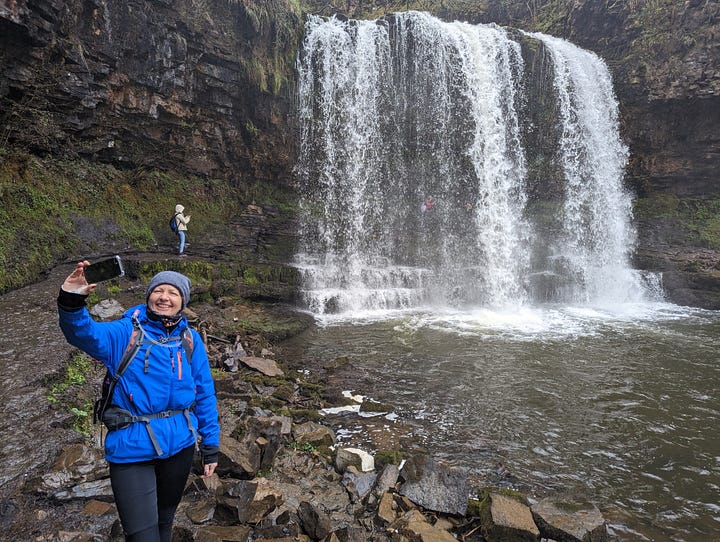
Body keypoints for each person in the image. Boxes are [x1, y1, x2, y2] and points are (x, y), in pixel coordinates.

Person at [57, 265, 220, 542]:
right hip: (132, 447)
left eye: (172, 292)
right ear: (148, 297)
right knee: (143, 535)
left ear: (183, 302)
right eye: (158, 290)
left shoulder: (190, 341)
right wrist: (71, 299)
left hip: (180, 445)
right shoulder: (126, 332)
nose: (164, 297)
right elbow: (84, 334)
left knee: (165, 522)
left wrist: (210, 446)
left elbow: (204, 393)